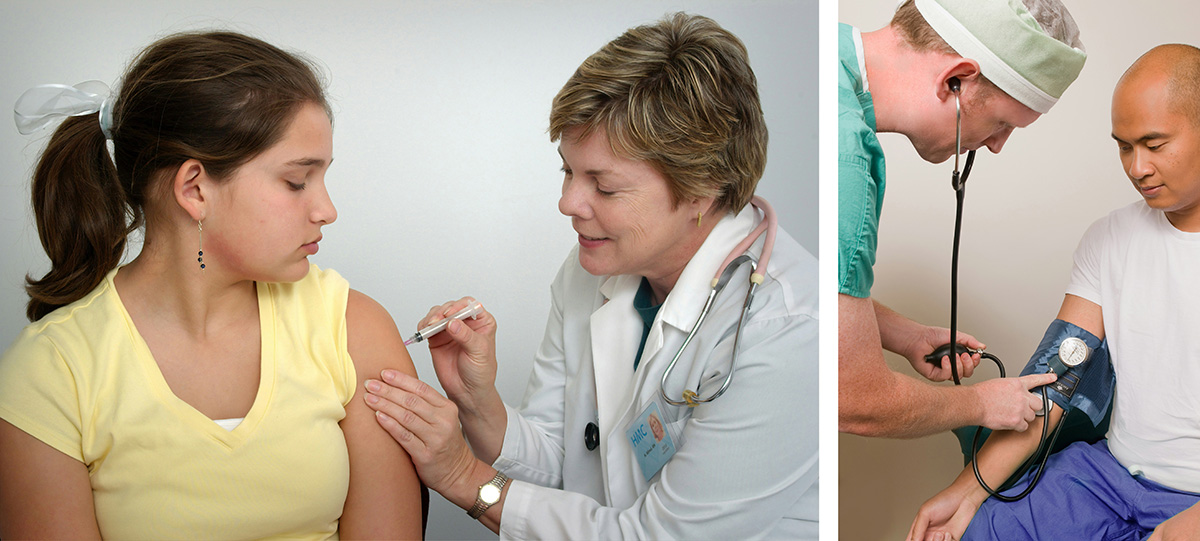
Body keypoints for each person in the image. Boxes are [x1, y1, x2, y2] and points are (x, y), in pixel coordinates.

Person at [360, 12, 818, 539]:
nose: (567, 203)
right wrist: (477, 402)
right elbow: (567, 458)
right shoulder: (594, 269)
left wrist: (464, 477)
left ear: (702, 187)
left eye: (603, 186)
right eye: (567, 171)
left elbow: (660, 536)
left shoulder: (789, 330)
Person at [0, 31, 423, 539]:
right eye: (296, 181)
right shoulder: (51, 371)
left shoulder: (355, 330)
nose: (326, 210)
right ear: (195, 189)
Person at [909, 44, 1200, 541]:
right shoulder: (1109, 240)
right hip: (1108, 478)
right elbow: (1058, 382)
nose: (1137, 168)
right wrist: (965, 492)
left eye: (1154, 144)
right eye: (1124, 146)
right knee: (976, 531)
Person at [839, 0, 1087, 438]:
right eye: (1001, 124)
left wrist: (903, 334)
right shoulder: (848, 165)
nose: (996, 146)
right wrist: (980, 402)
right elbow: (855, 401)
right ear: (955, 80)